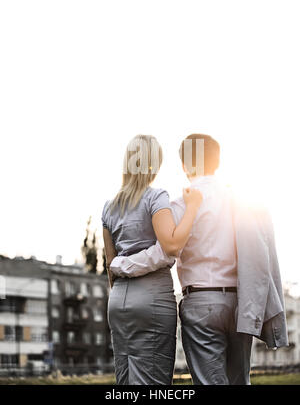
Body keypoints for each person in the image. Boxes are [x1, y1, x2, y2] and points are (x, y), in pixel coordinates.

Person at [110, 133, 288, 385]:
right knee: (240, 380)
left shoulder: (181, 204)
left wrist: (120, 264)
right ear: (218, 162)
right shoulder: (244, 201)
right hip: (241, 301)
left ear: (184, 165)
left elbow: (165, 252)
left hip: (200, 302)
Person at [101, 134, 202, 385]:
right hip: (152, 299)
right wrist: (191, 208)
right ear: (153, 164)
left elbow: (110, 264)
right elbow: (171, 244)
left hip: (118, 302)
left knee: (125, 383)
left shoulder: (108, 207)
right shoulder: (156, 198)